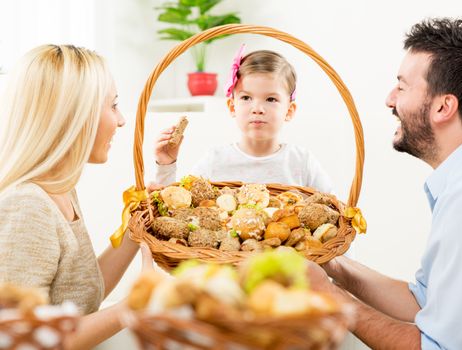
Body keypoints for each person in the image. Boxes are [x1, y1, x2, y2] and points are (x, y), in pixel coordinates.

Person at [309, 18, 462, 349]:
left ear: (443, 107)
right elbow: (424, 299)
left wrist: (330, 297)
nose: (389, 99)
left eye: (403, 86)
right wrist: (334, 265)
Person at [0, 44, 152, 349]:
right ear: (74, 116)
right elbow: (22, 340)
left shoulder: (60, 188)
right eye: (113, 105)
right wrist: (134, 307)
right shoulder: (28, 206)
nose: (121, 120)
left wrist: (139, 226)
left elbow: (81, 295)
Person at [154, 47, 333, 193]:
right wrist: (166, 164)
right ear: (232, 107)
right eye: (246, 98)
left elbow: (334, 211)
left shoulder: (301, 163)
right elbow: (176, 208)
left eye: (271, 99)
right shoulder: (215, 161)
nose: (257, 108)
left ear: (289, 111)